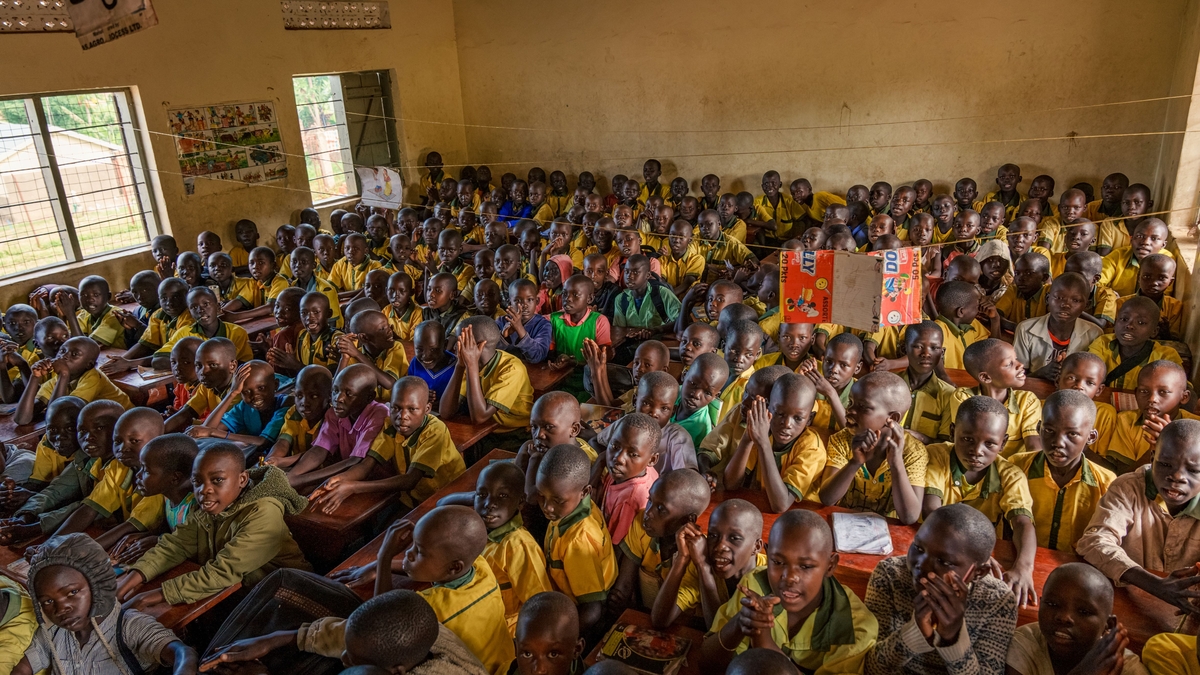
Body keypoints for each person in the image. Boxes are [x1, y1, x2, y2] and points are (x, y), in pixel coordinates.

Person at [118, 442, 310, 611]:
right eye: (197, 482)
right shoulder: (213, 507)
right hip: (244, 594)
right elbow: (175, 545)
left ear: (242, 480)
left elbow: (223, 572)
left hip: (286, 597)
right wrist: (132, 578)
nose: (204, 490)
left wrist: (155, 595)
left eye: (217, 480)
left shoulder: (263, 513)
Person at [700, 510, 878, 674]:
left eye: (806, 566)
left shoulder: (854, 626)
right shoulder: (755, 586)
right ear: (767, 555)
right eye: (778, 562)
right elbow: (708, 665)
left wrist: (762, 637)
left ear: (830, 566)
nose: (789, 577)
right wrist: (739, 622)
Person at [865, 503, 1018, 675]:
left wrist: (952, 639)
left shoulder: (997, 600)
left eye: (944, 562)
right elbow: (870, 668)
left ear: (978, 572)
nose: (922, 564)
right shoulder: (890, 574)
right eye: (918, 548)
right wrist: (915, 633)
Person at [12, 533, 197, 675]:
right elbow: (22, 669)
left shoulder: (128, 626)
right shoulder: (52, 634)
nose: (61, 608)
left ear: (96, 584)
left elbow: (182, 653)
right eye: (48, 601)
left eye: (73, 592)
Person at [1078, 419, 1200, 625]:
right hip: (1129, 607)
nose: (1177, 476)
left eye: (1193, 470)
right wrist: (1154, 584)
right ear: (1153, 458)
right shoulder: (1129, 488)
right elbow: (1095, 541)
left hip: (1187, 615)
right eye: (1165, 464)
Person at [374, 506, 514, 675]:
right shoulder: (482, 568)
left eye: (419, 551)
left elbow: (381, 623)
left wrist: (384, 557)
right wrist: (380, 568)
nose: (408, 554)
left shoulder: (430, 607)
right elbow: (436, 565)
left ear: (455, 567)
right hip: (508, 664)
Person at [308, 376, 465, 513]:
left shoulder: (435, 430)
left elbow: (410, 480)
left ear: (427, 409)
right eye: (396, 408)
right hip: (413, 500)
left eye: (412, 409)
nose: (402, 416)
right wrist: (338, 480)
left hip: (446, 500)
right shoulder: (390, 426)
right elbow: (366, 465)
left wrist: (353, 487)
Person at [1009, 390, 1116, 552]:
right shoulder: (1016, 466)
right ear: (1039, 428)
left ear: (1091, 437)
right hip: (1018, 558)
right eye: (1049, 431)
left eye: (1072, 434)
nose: (1058, 442)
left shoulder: (1105, 482)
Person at [1, 399, 120, 543]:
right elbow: (56, 491)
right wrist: (23, 517)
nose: (88, 437)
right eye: (82, 431)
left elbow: (86, 508)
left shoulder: (120, 467)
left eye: (99, 428)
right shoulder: (85, 458)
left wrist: (33, 528)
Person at [819, 371, 926, 524]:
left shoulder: (914, 451)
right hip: (844, 525)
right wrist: (854, 462)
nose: (850, 411)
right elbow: (827, 498)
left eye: (863, 407)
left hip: (891, 534)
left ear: (892, 418)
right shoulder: (843, 439)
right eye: (850, 403)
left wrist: (896, 464)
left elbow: (909, 517)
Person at [535, 443, 617, 638]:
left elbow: (592, 610)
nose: (547, 507)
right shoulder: (571, 509)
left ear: (585, 492)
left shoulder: (578, 541)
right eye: (541, 496)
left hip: (583, 618)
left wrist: (559, 640)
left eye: (557, 500)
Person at [610, 469, 712, 612]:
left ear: (688, 520)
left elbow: (666, 616)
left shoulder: (697, 555)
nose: (648, 513)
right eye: (650, 500)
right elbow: (624, 587)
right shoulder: (642, 525)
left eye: (661, 509)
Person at [722, 373, 826, 512]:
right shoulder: (765, 430)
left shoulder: (812, 448)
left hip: (802, 516)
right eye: (780, 413)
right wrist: (748, 438)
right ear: (768, 408)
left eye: (798, 418)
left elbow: (781, 505)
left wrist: (763, 443)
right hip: (765, 509)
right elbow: (730, 484)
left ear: (809, 419)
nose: (787, 424)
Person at [284, 363, 388, 491]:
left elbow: (355, 461)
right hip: (345, 475)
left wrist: (299, 480)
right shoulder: (335, 413)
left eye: (348, 394)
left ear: (369, 397)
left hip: (372, 483)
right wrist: (292, 475)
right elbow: (319, 450)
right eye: (336, 391)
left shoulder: (379, 414)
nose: (338, 399)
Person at [439, 317, 534, 453]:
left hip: (513, 434)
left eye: (461, 341)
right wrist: (460, 366)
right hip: (485, 430)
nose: (455, 346)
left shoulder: (512, 368)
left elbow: (480, 417)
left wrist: (471, 365)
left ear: (479, 346)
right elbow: (446, 412)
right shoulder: (471, 364)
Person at [109, 433, 199, 566]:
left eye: (146, 471)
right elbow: (173, 531)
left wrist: (159, 540)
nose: (138, 475)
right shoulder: (168, 498)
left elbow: (193, 546)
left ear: (175, 478)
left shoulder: (194, 506)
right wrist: (147, 535)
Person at [948, 339, 1043, 456]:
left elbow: (1033, 446)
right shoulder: (963, 398)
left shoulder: (1027, 401)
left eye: (1016, 359)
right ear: (985, 377)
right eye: (1009, 364)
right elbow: (966, 444)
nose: (1020, 365)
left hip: (1014, 469)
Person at [1101, 360, 1197, 474]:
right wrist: (1154, 450)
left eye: (1163, 392)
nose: (1152, 399)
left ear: (1184, 397)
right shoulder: (1127, 421)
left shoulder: (1196, 426)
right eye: (1144, 391)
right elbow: (1124, 475)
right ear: (1136, 393)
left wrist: (1170, 445)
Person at [594, 370, 697, 473]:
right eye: (647, 403)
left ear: (673, 411)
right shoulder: (627, 423)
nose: (654, 413)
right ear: (635, 401)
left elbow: (688, 476)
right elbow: (597, 442)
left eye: (664, 408)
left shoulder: (677, 438)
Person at [14, 336, 130, 426]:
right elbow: (22, 419)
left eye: (74, 354)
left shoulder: (93, 378)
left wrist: (64, 374)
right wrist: (34, 378)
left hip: (125, 420)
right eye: (62, 350)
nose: (64, 356)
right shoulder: (55, 380)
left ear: (89, 365)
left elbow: (57, 417)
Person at [187, 361, 290, 460]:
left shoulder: (285, 405)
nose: (254, 396)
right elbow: (207, 428)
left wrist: (213, 432)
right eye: (246, 391)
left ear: (275, 385)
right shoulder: (245, 407)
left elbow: (263, 441)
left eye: (261, 388)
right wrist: (232, 393)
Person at [1013, 272, 1103, 379]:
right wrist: (1041, 373)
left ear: (1086, 306)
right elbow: (1016, 377)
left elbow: (1093, 378)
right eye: (1059, 298)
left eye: (1076, 300)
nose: (1065, 305)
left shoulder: (1094, 334)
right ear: (1047, 299)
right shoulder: (1026, 329)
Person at [594, 413, 661, 546]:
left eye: (633, 454)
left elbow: (614, 546)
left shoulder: (630, 499)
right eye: (615, 446)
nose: (618, 458)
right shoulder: (627, 472)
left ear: (652, 460)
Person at [1087, 297, 1182, 389]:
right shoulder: (1103, 343)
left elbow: (1181, 387)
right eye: (1124, 319)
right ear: (1115, 323)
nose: (1129, 326)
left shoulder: (1165, 356)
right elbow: (1087, 374)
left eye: (1141, 322)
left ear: (1154, 331)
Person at [163, 337, 240, 434]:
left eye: (212, 365)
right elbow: (185, 414)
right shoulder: (206, 388)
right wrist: (156, 435)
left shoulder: (240, 391)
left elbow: (217, 428)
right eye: (198, 365)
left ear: (232, 366)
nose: (203, 372)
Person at [896, 322, 955, 444]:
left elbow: (945, 445)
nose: (926, 354)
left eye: (934, 348)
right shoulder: (887, 386)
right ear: (904, 349)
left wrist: (916, 437)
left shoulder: (948, 396)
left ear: (942, 353)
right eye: (918, 346)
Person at [337, 309, 410, 401]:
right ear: (364, 337)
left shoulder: (395, 348)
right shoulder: (354, 355)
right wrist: (344, 357)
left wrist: (357, 355)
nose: (390, 331)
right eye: (382, 329)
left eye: (388, 326)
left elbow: (388, 383)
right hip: (368, 409)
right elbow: (336, 390)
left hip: (393, 406)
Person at [266, 365, 331, 466]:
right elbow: (283, 442)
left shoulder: (332, 420)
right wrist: (270, 459)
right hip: (294, 469)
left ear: (329, 396)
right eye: (299, 396)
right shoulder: (294, 413)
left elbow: (317, 453)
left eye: (313, 396)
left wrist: (280, 462)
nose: (304, 403)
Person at [511, 592, 586, 675]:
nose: (539, 670)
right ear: (516, 649)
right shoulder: (511, 671)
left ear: (576, 650)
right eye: (527, 654)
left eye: (553, 654)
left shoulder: (594, 672)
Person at [931, 281, 996, 372]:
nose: (979, 310)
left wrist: (995, 319)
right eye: (977, 307)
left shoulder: (972, 324)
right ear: (961, 312)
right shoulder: (937, 332)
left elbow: (994, 351)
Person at [805, 332, 864, 433]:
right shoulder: (811, 384)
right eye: (829, 361)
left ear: (857, 368)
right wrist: (801, 379)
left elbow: (851, 434)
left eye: (843, 365)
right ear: (823, 359)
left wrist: (831, 393)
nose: (833, 370)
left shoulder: (862, 395)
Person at [1116, 253, 1182, 340]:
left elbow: (1174, 338)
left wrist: (1164, 331)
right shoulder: (1121, 303)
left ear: (1170, 282)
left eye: (1162, 278)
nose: (1154, 283)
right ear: (1138, 277)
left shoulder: (1174, 306)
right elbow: (1111, 331)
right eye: (1147, 276)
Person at [1099, 218, 1171, 297]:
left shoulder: (1167, 262)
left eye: (1154, 238)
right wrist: (1110, 295)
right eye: (1140, 236)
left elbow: (1164, 296)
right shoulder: (1118, 255)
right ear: (1131, 239)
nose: (1145, 242)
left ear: (1163, 245)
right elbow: (1097, 283)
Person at [671, 353, 728, 449]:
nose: (696, 395)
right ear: (684, 375)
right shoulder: (672, 393)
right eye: (693, 383)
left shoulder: (700, 427)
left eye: (708, 393)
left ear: (715, 396)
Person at [499, 278, 552, 363]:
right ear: (509, 303)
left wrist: (519, 329)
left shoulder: (543, 325)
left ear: (537, 301)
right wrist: (503, 337)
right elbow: (490, 352)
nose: (524, 305)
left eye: (530, 300)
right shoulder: (501, 322)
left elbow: (538, 356)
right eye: (517, 300)